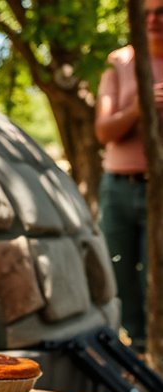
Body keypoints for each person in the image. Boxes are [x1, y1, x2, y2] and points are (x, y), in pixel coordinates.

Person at [93, 0, 163, 351]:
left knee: (158, 271)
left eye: (161, 11)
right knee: (118, 269)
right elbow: (104, 132)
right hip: (118, 187)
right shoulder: (120, 63)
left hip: (159, 189)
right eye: (146, 12)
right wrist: (140, 107)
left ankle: (158, 345)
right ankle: (133, 346)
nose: (153, 20)